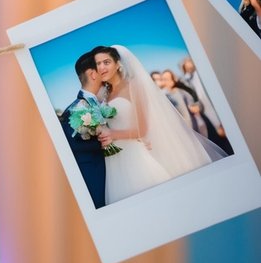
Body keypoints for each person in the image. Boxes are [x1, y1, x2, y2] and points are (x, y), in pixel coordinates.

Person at [94, 45, 225, 205]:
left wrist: (112, 134)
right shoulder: (105, 94)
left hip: (136, 157)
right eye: (98, 64)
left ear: (118, 63)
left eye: (106, 62)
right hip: (115, 160)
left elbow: (142, 129)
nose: (101, 67)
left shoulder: (133, 86)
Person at [60, 51, 108, 210]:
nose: (105, 70)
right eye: (101, 66)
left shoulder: (102, 103)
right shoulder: (75, 109)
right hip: (94, 178)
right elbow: (71, 146)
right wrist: (102, 144)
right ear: (93, 74)